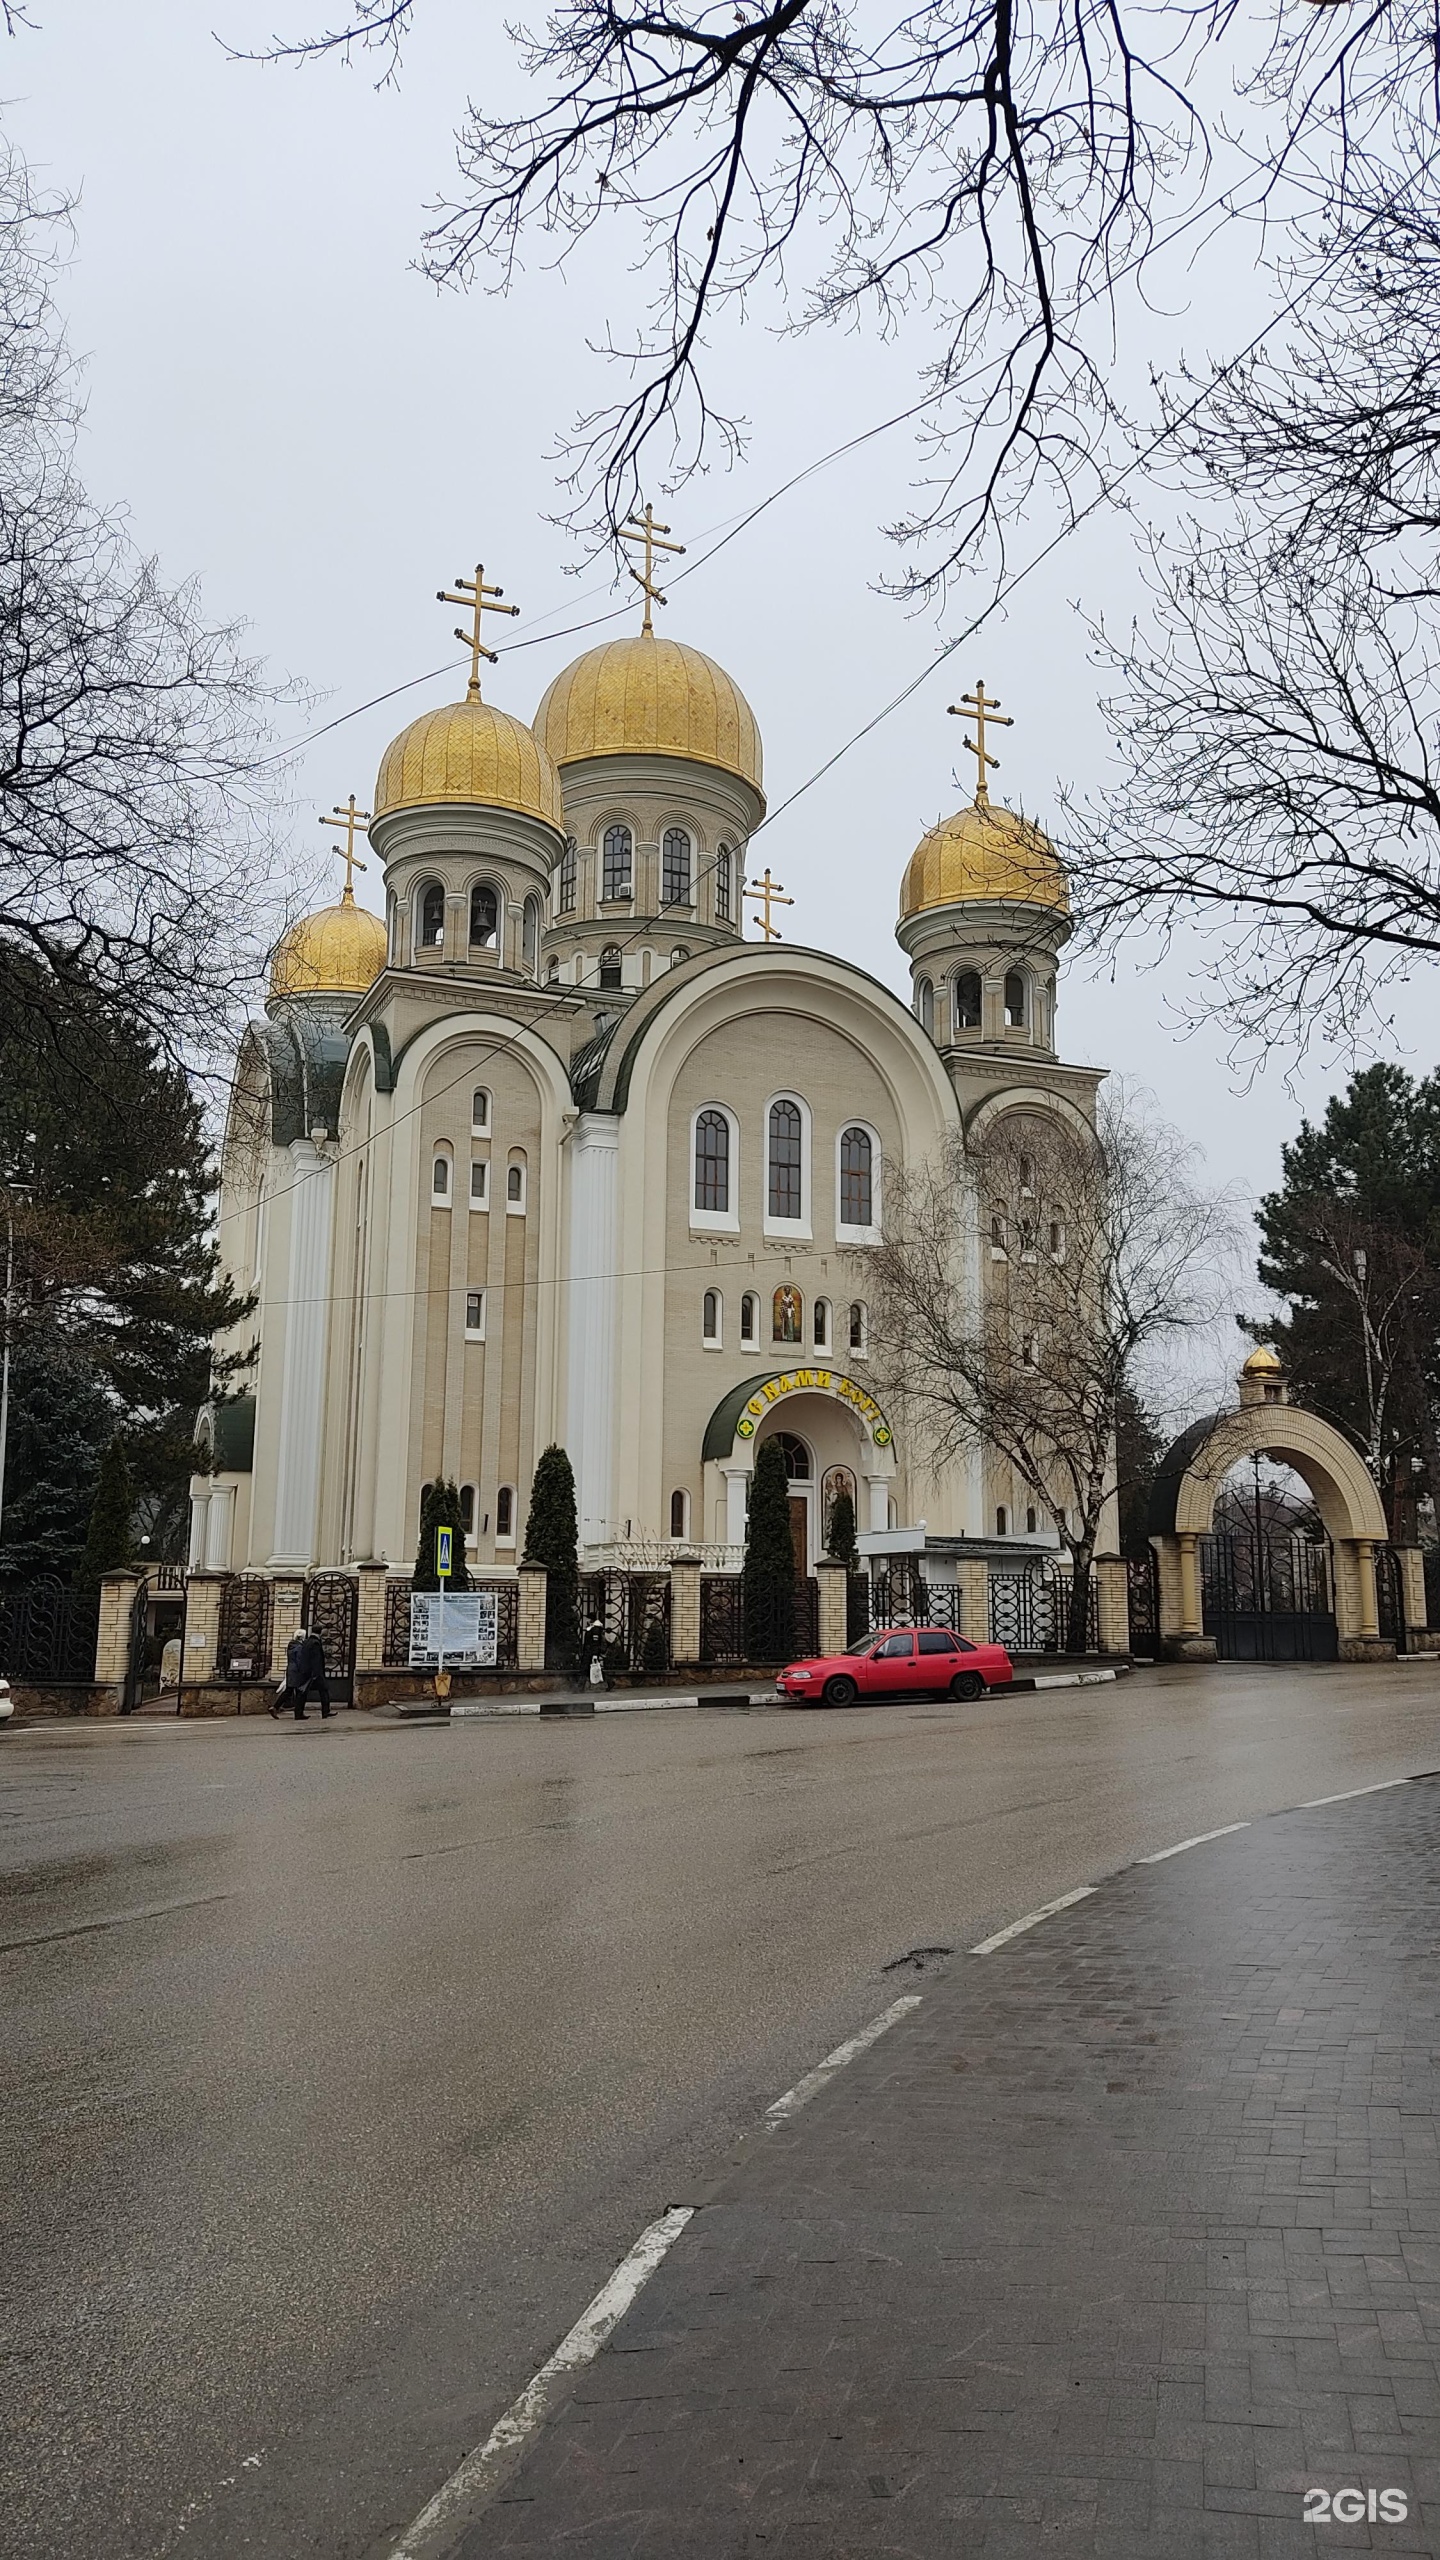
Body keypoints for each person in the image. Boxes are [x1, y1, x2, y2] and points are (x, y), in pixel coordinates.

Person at [270, 1625, 331, 1720]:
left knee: (290, 1691)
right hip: (297, 1672)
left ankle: (278, 1708)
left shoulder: (293, 1645)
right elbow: (302, 1660)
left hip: (293, 1670)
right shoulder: (299, 1647)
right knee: (299, 1692)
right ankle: (295, 1712)